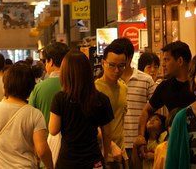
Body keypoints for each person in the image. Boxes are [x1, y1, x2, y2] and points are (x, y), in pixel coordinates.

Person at [0, 64, 54, 169]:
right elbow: (42, 150)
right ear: (30, 88)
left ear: (5, 86)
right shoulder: (35, 114)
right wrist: (50, 166)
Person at [50, 51, 116, 169]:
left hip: (68, 161)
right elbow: (107, 133)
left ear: (65, 74)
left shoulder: (59, 98)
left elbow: (53, 130)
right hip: (93, 160)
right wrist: (105, 157)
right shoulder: (101, 99)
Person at [134, 41, 196, 159]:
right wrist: (141, 137)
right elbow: (146, 111)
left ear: (180, 61)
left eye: (167, 60)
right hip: (175, 142)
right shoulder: (165, 86)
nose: (163, 64)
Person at [97, 39, 131, 168]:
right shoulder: (95, 89)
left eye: (121, 66)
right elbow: (92, 126)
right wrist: (111, 145)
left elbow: (120, 120)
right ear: (103, 63)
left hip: (121, 155)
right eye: (112, 65)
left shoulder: (123, 87)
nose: (116, 70)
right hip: (103, 155)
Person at [123, 50, 156, 169]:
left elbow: (154, 112)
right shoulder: (109, 80)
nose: (153, 70)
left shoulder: (147, 80)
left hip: (140, 142)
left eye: (155, 66)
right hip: (116, 143)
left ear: (129, 57)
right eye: (149, 66)